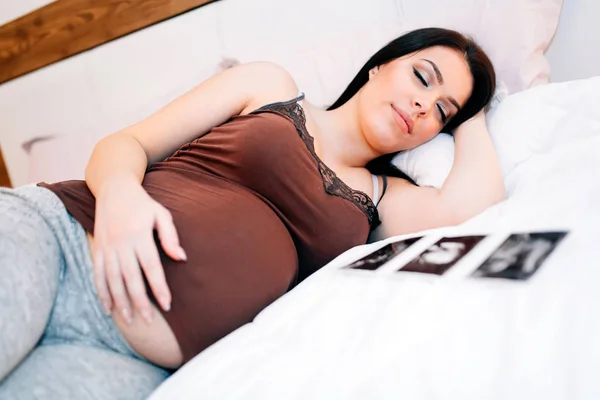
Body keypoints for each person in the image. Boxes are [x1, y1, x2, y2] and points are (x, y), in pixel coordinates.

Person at [0, 27, 505, 398]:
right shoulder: (271, 88)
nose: (423, 107)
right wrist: (120, 198)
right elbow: (127, 142)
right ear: (380, 64)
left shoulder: (383, 198)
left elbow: (470, 206)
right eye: (422, 78)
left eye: (441, 110)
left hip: (130, 362)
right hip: (61, 241)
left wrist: (473, 110)